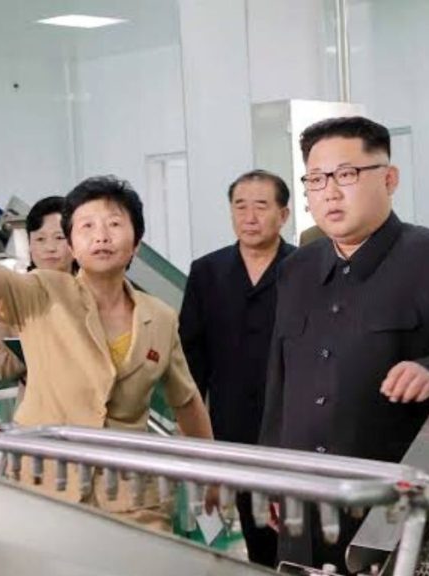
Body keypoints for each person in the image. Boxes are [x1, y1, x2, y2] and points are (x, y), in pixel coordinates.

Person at [0, 175, 216, 530]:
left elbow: (186, 401)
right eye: (87, 226)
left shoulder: (160, 317)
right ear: (73, 246)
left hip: (132, 497)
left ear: (136, 243)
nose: (101, 236)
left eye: (114, 224)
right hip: (47, 486)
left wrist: (212, 475)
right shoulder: (42, 292)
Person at [259, 116, 429, 572]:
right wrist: (271, 473)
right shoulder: (296, 269)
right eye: (316, 179)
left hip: (393, 502)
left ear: (389, 179)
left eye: (346, 175)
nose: (330, 192)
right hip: (305, 496)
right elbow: (280, 379)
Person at [179, 169, 294, 567]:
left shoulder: (305, 268)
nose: (249, 217)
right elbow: (190, 358)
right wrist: (194, 433)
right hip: (230, 426)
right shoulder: (207, 272)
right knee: (254, 532)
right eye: (240, 206)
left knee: (296, 532)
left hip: (290, 426)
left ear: (283, 214)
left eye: (261, 206)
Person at [0, 196, 75, 395]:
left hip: (88, 409)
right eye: (40, 239)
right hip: (35, 407)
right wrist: (32, 348)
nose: (50, 247)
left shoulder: (94, 292)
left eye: (59, 237)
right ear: (30, 245)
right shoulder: (13, 298)